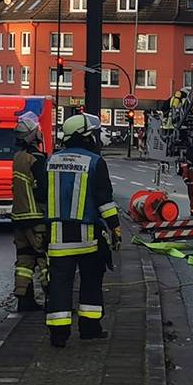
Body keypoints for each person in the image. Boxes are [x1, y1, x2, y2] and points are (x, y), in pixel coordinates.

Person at [44, 112, 120, 348]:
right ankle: (89, 329)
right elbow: (104, 200)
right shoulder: (95, 162)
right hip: (88, 237)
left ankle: (58, 335)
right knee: (90, 282)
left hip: (57, 236)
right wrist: (115, 227)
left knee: (59, 284)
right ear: (85, 136)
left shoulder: (51, 161)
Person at [11, 110, 48, 312]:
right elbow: (43, 190)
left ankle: (24, 299)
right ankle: (53, 299)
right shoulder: (37, 159)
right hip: (36, 218)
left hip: (18, 217)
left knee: (24, 259)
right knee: (44, 258)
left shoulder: (18, 157)